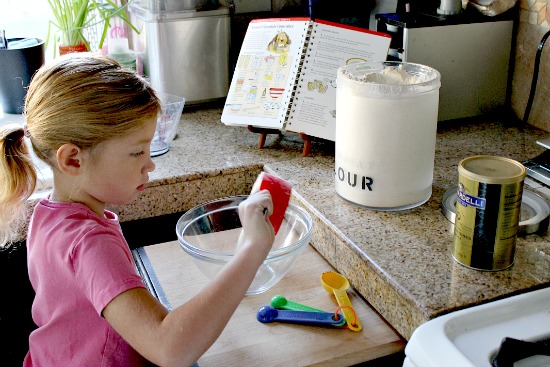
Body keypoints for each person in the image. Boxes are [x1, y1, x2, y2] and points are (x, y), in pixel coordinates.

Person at [0, 53, 275, 367]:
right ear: (73, 160)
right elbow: (170, 349)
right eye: (136, 152)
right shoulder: (89, 242)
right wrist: (252, 249)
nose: (150, 164)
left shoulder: (50, 214)